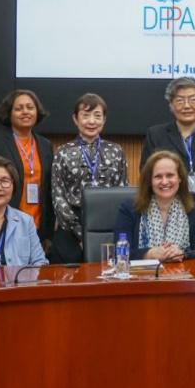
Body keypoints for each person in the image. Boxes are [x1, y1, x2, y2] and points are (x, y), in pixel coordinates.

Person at [50, 93, 129, 263]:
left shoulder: (116, 151)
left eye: (97, 116)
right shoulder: (63, 152)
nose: (91, 121)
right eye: (85, 116)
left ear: (104, 120)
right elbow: (58, 196)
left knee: (107, 274)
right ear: (75, 119)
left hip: (107, 226)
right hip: (70, 227)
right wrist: (81, 234)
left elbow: (122, 192)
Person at [140, 77, 195, 240]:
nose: (187, 106)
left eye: (192, 99)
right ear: (171, 104)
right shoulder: (156, 135)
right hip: (163, 219)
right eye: (180, 100)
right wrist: (173, 210)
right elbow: (146, 173)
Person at [0, 89, 55, 245]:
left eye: (30, 107)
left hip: (38, 225)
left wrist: (48, 232)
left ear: (37, 112)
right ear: (9, 113)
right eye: (19, 108)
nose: (25, 112)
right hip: (3, 223)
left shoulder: (45, 145)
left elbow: (49, 190)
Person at [114, 151, 195, 261]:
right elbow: (119, 252)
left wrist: (183, 254)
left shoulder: (193, 210)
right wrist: (149, 254)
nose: (164, 182)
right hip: (142, 272)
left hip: (181, 271)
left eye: (170, 175)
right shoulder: (130, 208)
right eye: (158, 176)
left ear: (180, 178)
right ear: (150, 181)